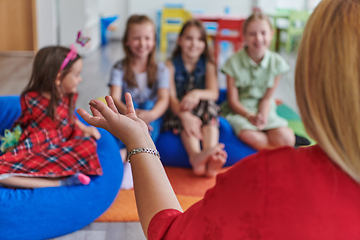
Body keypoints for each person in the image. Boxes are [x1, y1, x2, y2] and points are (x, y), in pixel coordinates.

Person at [78, 0, 360, 238]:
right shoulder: (165, 65)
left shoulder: (264, 178)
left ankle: (202, 154)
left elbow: (169, 232)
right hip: (179, 116)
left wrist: (139, 137)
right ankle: (199, 155)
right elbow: (171, 99)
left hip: (199, 117)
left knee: (215, 118)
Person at [0, 45, 102, 189]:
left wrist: (85, 128)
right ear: (59, 77)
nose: (80, 79)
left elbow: (70, 117)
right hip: (40, 143)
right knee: (2, 172)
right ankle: (58, 182)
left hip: (65, 140)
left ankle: (60, 173)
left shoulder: (69, 94)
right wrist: (13, 143)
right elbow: (24, 122)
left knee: (88, 145)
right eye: (76, 74)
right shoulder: (31, 99)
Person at [221, 12, 299, 150]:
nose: (258, 38)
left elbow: (267, 98)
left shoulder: (277, 63)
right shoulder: (232, 62)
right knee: (252, 136)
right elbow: (233, 101)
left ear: (271, 34)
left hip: (265, 109)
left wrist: (262, 117)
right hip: (240, 112)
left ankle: (272, 147)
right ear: (244, 36)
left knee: (287, 138)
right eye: (252, 34)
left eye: (263, 33)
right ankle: (274, 151)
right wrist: (249, 115)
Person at [162, 20, 227, 177]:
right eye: (189, 38)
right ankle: (195, 156)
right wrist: (184, 115)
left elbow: (214, 93)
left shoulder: (208, 64)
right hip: (178, 111)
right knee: (187, 108)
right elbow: (169, 97)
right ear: (180, 40)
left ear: (205, 44)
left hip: (203, 109)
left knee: (209, 104)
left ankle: (209, 155)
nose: (194, 44)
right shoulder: (170, 65)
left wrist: (196, 93)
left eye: (199, 39)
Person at [108, 14, 169, 147]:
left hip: (150, 116)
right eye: (136, 38)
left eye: (147, 38)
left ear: (154, 41)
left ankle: (141, 150)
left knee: (149, 105)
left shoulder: (161, 69)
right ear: (127, 41)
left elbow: (164, 99)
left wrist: (150, 115)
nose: (142, 43)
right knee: (132, 104)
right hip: (127, 113)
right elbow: (115, 98)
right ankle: (128, 153)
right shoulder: (119, 68)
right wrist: (132, 116)